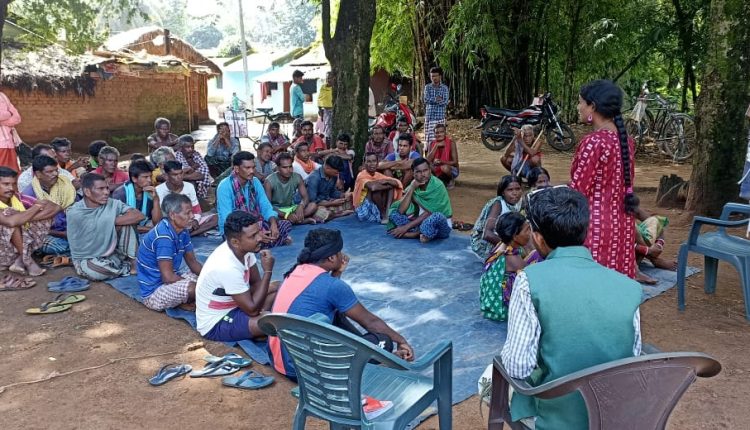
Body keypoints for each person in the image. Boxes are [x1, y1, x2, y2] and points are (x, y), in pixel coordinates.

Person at [500, 186, 642, 430]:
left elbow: (518, 366)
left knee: (489, 381)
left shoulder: (528, 281)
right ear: (584, 231)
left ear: (538, 239)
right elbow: (634, 353)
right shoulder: (629, 286)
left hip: (556, 419)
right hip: (616, 415)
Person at [268, 228, 414, 381]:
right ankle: (366, 361)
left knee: (336, 313)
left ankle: (360, 349)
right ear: (332, 257)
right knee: (383, 340)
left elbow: (324, 298)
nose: (342, 255)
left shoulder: (295, 272)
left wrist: (337, 274)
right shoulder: (333, 286)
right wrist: (401, 341)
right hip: (306, 372)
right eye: (339, 252)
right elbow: (371, 322)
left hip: (282, 361)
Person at [570, 79, 637, 279]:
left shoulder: (594, 142)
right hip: (623, 226)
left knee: (593, 283)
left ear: (592, 106)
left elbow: (577, 192)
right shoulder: (626, 142)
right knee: (615, 282)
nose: (578, 107)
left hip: (595, 227)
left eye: (580, 102)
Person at [196, 211, 279, 341]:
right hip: (217, 322)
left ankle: (256, 327)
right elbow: (252, 310)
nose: (259, 238)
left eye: (258, 232)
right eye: (253, 236)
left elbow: (256, 283)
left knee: (279, 287)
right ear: (235, 242)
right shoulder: (227, 267)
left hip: (238, 305)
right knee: (274, 323)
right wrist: (268, 272)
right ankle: (257, 327)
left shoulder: (244, 249)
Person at [67, 173, 144, 280]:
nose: (106, 192)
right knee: (95, 270)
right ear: (87, 192)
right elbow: (95, 229)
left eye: (107, 188)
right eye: (101, 189)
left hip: (112, 252)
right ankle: (124, 267)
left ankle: (133, 263)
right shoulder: (75, 212)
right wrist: (112, 222)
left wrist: (113, 221)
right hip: (88, 258)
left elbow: (139, 215)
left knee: (127, 222)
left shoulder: (112, 203)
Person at [137, 193, 203, 311]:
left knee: (207, 279)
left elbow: (193, 262)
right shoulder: (164, 238)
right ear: (172, 215)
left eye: (191, 212)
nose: (192, 216)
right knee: (195, 288)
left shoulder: (183, 231)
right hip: (154, 292)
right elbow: (167, 277)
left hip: (169, 281)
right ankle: (184, 300)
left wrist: (211, 279)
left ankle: (183, 301)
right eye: (187, 213)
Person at [216, 151, 292, 247]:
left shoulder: (255, 182)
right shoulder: (225, 186)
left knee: (284, 224)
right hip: (235, 231)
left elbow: (266, 206)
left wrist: (273, 224)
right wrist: (255, 233)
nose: (252, 171)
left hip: (256, 225)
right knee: (245, 240)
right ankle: (264, 241)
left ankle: (260, 242)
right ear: (236, 169)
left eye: (253, 167)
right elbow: (228, 219)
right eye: (247, 168)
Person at [479, 212, 541, 321]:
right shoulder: (512, 258)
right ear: (515, 236)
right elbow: (532, 278)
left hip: (490, 302)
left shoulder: (501, 246)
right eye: (527, 230)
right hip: (503, 310)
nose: (530, 233)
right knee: (538, 257)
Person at [0, 166, 60, 277]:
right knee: (11, 215)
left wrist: (24, 218)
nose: (11, 188)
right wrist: (34, 208)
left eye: (14, 184)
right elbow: (11, 222)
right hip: (3, 252)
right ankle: (28, 261)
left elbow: (55, 207)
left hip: (14, 250)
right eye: (6, 184)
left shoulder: (17, 197)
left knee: (41, 216)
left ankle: (20, 259)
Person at [21, 155, 77, 256]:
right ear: (38, 174)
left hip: (72, 227)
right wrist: (62, 234)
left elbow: (78, 208)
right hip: (49, 233)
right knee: (51, 245)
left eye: (56, 170)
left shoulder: (65, 184)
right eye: (50, 172)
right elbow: (30, 226)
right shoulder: (29, 194)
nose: (55, 174)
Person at [388, 157, 452, 243]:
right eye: (418, 172)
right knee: (394, 213)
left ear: (430, 170)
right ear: (413, 174)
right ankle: (421, 234)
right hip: (419, 223)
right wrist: (412, 188)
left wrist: (405, 227)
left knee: (437, 216)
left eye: (425, 170)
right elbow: (401, 210)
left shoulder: (437, 185)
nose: (423, 174)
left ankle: (414, 234)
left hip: (441, 227)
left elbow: (430, 212)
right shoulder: (414, 184)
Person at [155, 161, 218, 236]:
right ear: (166, 176)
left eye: (181, 173)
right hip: (171, 223)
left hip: (189, 220)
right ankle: (186, 233)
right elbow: (163, 215)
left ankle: (188, 235)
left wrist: (195, 220)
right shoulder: (158, 190)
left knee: (216, 218)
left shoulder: (189, 187)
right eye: (175, 175)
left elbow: (197, 210)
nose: (179, 177)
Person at [470, 176, 523, 259]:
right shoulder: (498, 204)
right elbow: (487, 234)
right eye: (510, 190)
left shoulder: (519, 202)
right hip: (484, 243)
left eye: (518, 189)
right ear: (503, 192)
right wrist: (509, 246)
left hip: (503, 238)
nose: (515, 193)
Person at [264, 153, 317, 224]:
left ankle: (293, 220)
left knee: (313, 206)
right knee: (270, 216)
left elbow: (305, 197)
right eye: (284, 167)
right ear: (278, 168)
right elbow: (268, 206)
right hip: (277, 210)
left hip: (291, 208)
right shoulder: (269, 181)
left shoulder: (297, 177)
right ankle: (299, 220)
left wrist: (301, 205)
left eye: (290, 166)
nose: (289, 170)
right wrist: (286, 215)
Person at [112, 159, 162, 234]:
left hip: (146, 229)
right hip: (127, 233)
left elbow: (157, 222)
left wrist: (156, 200)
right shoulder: (120, 194)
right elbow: (119, 224)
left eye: (150, 176)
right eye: (145, 177)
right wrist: (151, 230)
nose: (149, 180)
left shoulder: (151, 193)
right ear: (134, 178)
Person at [353, 153, 403, 224]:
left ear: (377, 163)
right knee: (377, 191)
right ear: (364, 164)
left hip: (374, 207)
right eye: (369, 161)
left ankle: (387, 213)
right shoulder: (361, 175)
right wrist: (388, 184)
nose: (372, 164)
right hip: (363, 210)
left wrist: (387, 181)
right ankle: (383, 214)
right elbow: (373, 188)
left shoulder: (377, 175)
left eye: (374, 161)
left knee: (389, 186)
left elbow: (397, 182)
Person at [305, 155, 353, 222]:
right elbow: (312, 201)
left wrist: (343, 195)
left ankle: (334, 213)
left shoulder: (333, 176)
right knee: (325, 213)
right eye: (336, 172)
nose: (337, 174)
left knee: (350, 202)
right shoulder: (314, 178)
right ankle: (337, 214)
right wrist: (332, 203)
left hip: (325, 201)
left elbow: (332, 192)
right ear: (327, 167)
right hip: (310, 205)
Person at [174, 134, 212, 200]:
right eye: (187, 147)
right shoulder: (177, 155)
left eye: (192, 146)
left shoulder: (196, 154)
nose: (191, 149)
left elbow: (204, 172)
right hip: (182, 185)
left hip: (198, 184)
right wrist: (194, 167)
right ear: (181, 148)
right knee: (191, 184)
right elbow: (181, 173)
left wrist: (188, 170)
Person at [425, 123, 459, 188]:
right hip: (436, 168)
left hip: (450, 169)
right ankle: (438, 180)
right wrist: (436, 146)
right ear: (434, 134)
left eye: (441, 132)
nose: (439, 134)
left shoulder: (451, 143)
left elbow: (455, 162)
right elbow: (427, 161)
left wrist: (441, 162)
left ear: (445, 133)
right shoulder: (432, 143)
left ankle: (451, 179)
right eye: (437, 133)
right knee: (427, 165)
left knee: (444, 167)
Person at [423, 66, 449, 144]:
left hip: (440, 117)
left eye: (435, 76)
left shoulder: (444, 88)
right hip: (429, 117)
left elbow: (445, 102)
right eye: (432, 76)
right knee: (429, 140)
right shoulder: (427, 87)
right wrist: (437, 99)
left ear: (440, 76)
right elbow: (426, 100)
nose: (433, 78)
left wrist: (432, 100)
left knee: (440, 139)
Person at [0, 91, 21, 172]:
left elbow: (17, 118)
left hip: (9, 143)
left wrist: (2, 122)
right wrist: (9, 114)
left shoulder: (2, 96)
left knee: (13, 173)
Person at [318, 71, 334, 143]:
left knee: (331, 128)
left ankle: (330, 141)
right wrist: (319, 109)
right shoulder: (323, 87)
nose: (328, 80)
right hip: (325, 111)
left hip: (333, 110)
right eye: (327, 78)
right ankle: (328, 142)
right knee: (326, 127)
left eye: (330, 78)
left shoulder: (335, 88)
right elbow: (320, 98)